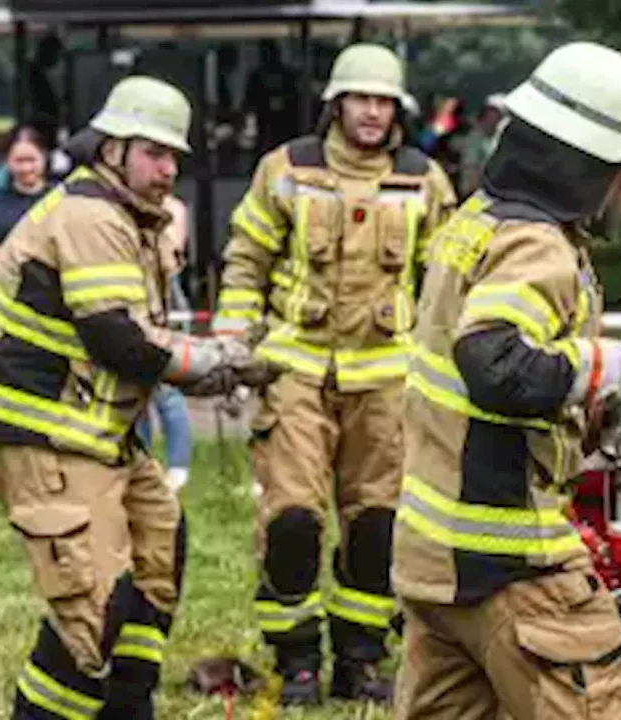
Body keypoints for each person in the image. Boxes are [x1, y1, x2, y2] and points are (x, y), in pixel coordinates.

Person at [0, 76, 273, 720]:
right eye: (155, 152)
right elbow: (117, 336)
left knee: (160, 551)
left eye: (175, 156)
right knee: (94, 609)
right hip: (40, 436)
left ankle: (128, 706)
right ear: (113, 148)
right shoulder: (90, 215)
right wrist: (214, 364)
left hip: (96, 433)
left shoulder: (133, 217)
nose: (168, 168)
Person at [390, 40, 621, 719]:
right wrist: (610, 367)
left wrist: (595, 406)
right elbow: (494, 363)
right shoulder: (535, 243)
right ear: (586, 166)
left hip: (435, 561)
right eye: (620, 170)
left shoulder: (475, 221)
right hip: (515, 564)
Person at [213, 42, 456, 706]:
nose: (372, 112)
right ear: (337, 103)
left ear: (396, 109)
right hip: (293, 369)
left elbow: (444, 284)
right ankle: (295, 659)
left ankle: (359, 659)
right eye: (361, 98)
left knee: (377, 523)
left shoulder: (424, 180)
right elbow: (245, 261)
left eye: (383, 101)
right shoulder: (286, 169)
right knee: (292, 519)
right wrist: (234, 343)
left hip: (386, 379)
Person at [135, 196, 195, 493]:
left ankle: (178, 468)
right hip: (135, 307)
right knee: (137, 397)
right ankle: (142, 465)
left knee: (169, 394)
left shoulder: (174, 208)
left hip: (167, 305)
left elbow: (170, 255)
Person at [0, 126, 55, 276]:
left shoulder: (61, 198)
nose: (26, 168)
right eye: (19, 161)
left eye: (31, 160)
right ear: (7, 161)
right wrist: (17, 250)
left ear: (44, 157)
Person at [243, 40, 301, 155]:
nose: (268, 57)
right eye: (265, 54)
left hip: (286, 121)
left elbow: (296, 96)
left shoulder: (286, 74)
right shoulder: (256, 75)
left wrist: (283, 101)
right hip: (264, 118)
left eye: (270, 53)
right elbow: (250, 99)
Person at [456, 95, 506, 198]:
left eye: (496, 114)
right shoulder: (475, 136)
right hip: (471, 190)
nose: (491, 116)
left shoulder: (500, 139)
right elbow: (469, 163)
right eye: (490, 112)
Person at [26, 34, 64, 146]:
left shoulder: (43, 74)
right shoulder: (32, 74)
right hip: (41, 128)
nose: (57, 59)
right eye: (56, 54)